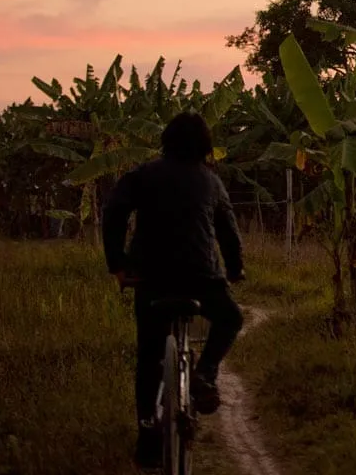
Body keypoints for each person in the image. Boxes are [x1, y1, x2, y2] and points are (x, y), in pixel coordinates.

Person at [102, 111, 246, 469]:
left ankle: (147, 433)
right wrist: (235, 269)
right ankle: (205, 373)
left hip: (150, 278)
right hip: (201, 277)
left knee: (149, 355)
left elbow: (114, 211)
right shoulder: (211, 182)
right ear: (205, 146)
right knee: (230, 317)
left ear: (165, 139)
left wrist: (118, 264)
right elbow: (228, 231)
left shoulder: (143, 175)